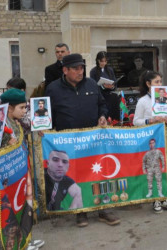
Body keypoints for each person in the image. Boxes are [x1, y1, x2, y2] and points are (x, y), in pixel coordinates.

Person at [45, 53, 119, 227]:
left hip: (92, 141)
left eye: (82, 68)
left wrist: (102, 115)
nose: (80, 71)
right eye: (76, 68)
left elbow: (102, 104)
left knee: (99, 173)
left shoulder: (92, 84)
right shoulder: (53, 88)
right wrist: (45, 130)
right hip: (68, 144)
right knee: (76, 175)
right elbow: (46, 114)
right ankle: (81, 212)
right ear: (65, 70)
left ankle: (103, 209)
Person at [0, 88, 45, 250]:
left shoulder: (15, 122)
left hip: (22, 173)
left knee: (26, 208)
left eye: (26, 107)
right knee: (15, 211)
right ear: (9, 108)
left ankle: (27, 238)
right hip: (11, 179)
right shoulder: (2, 126)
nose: (25, 111)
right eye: (21, 108)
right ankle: (19, 243)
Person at [133, 70, 167, 213]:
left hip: (163, 136)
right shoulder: (142, 101)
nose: (159, 84)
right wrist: (150, 120)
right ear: (148, 84)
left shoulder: (163, 97)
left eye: (160, 81)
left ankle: (166, 196)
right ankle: (155, 199)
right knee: (153, 168)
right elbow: (136, 121)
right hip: (150, 140)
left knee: (165, 167)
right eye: (156, 82)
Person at [90, 51, 120, 120]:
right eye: (102, 61)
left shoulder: (110, 70)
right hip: (100, 98)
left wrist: (112, 86)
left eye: (105, 61)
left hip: (110, 97)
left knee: (112, 117)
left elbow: (114, 82)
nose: (104, 63)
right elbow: (93, 86)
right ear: (98, 60)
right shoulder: (93, 71)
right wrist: (103, 86)